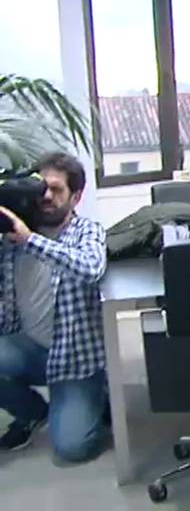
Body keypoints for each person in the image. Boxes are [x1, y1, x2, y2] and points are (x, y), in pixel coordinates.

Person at [0, 152, 109, 462]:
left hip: (76, 358)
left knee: (72, 449)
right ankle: (33, 412)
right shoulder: (11, 231)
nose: (45, 196)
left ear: (75, 196)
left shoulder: (86, 231)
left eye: (56, 189)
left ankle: (97, 397)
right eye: (40, 188)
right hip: (29, 347)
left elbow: (90, 267)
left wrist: (29, 240)